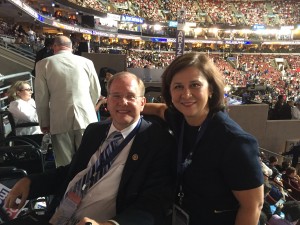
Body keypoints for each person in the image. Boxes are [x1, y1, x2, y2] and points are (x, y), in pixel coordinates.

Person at [5, 72, 175, 225]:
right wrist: (31, 182)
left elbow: (154, 203)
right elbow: (71, 172)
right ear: (107, 101)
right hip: (58, 215)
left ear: (142, 102)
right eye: (116, 96)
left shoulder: (158, 140)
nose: (123, 102)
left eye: (131, 96)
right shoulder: (95, 130)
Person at [143, 53, 264, 225]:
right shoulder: (179, 119)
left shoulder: (235, 141)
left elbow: (253, 206)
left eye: (195, 85)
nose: (186, 94)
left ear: (211, 89)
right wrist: (129, 107)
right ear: (169, 91)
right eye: (178, 86)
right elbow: (159, 110)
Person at [35, 35, 101, 167]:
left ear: (54, 47)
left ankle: (67, 186)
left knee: (64, 164)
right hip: (86, 117)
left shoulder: (43, 64)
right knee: (89, 160)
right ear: (72, 47)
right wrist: (89, 106)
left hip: (59, 119)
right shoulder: (87, 62)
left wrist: (44, 122)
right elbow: (96, 90)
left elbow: (41, 97)